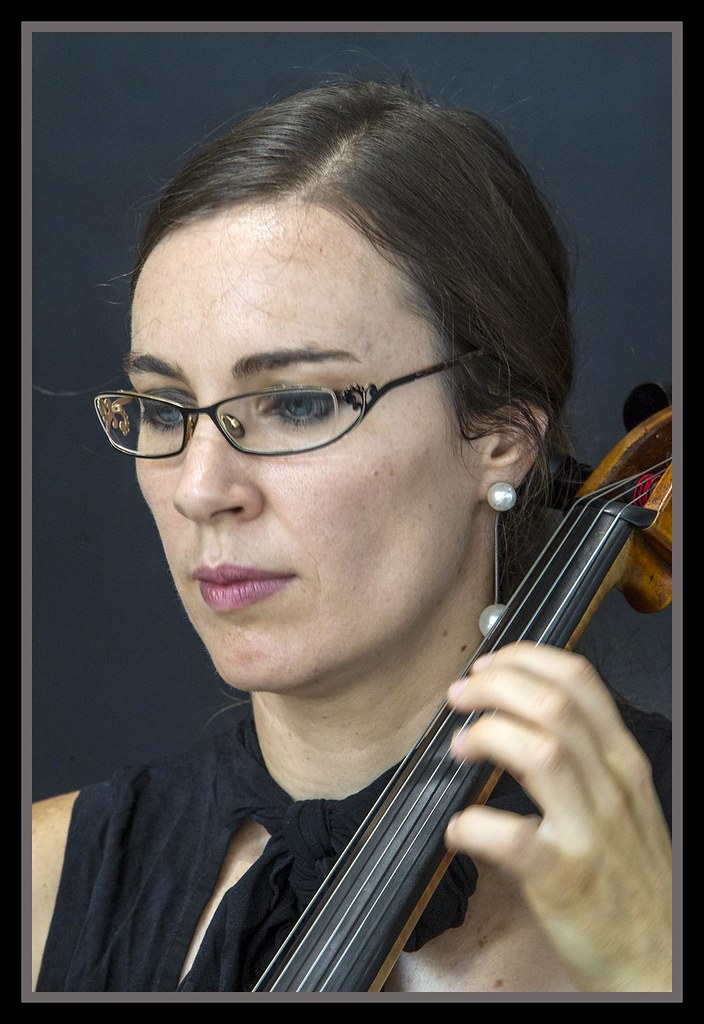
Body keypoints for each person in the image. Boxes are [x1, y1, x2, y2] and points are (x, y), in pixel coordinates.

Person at [31, 77, 672, 994]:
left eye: (296, 403)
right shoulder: (42, 889)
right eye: (166, 407)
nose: (202, 489)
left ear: (501, 437)